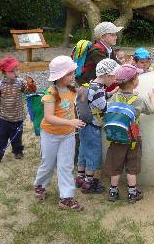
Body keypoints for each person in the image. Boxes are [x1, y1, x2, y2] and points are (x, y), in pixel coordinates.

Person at [33, 56, 86, 211]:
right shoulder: (50, 94)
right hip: (50, 135)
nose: (73, 76)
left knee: (66, 165)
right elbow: (49, 117)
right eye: (70, 74)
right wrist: (71, 122)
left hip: (67, 135)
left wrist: (85, 92)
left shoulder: (72, 90)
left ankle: (66, 198)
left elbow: (79, 99)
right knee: (48, 163)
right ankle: (40, 185)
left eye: (73, 73)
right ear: (60, 76)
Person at [106, 64, 154, 204]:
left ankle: (113, 191)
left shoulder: (114, 98)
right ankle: (132, 193)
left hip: (116, 138)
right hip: (133, 139)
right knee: (132, 167)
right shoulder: (138, 100)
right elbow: (152, 110)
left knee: (116, 166)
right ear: (134, 81)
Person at [75, 58, 119, 194]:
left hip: (83, 124)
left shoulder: (90, 85)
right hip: (92, 126)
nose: (114, 80)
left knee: (83, 150)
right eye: (113, 76)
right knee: (93, 153)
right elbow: (104, 107)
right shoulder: (98, 90)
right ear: (106, 75)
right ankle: (89, 182)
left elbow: (97, 98)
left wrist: (112, 92)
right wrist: (119, 104)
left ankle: (80, 177)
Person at [0, 57, 35, 165]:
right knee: (1, 138)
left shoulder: (20, 83)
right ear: (4, 72)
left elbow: (28, 92)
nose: (15, 73)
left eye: (17, 70)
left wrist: (31, 86)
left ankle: (17, 151)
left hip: (18, 117)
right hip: (3, 118)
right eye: (12, 71)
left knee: (17, 136)